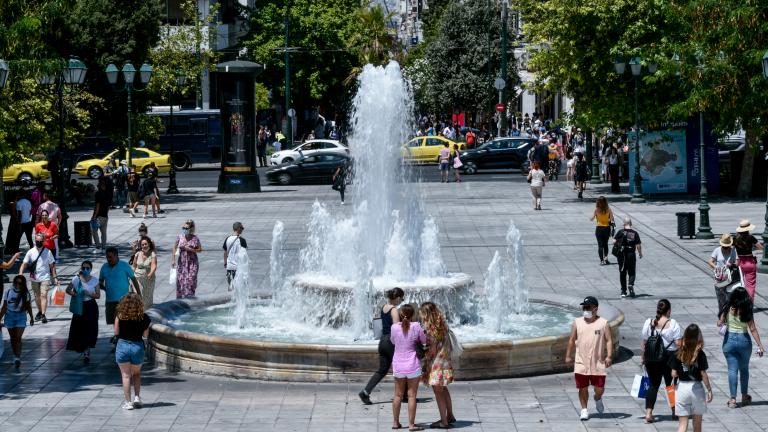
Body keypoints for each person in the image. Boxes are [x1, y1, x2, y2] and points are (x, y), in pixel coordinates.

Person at [565, 296, 613, 421]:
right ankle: (584, 409)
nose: (585, 309)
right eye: (584, 307)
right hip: (581, 361)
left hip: (598, 362)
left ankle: (597, 398)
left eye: (587, 307)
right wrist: (568, 355)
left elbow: (609, 340)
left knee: (599, 388)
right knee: (582, 387)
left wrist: (609, 356)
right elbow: (571, 340)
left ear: (595, 309)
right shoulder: (577, 322)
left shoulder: (603, 323)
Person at [717, 287, 765, 409]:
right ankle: (744, 396)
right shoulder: (747, 310)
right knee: (744, 369)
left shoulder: (727, 308)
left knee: (732, 370)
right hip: (744, 341)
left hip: (729, 341)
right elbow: (753, 329)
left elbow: (719, 323)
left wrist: (723, 322)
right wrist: (760, 345)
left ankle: (733, 399)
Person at [640, 299, 682, 423]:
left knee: (653, 385)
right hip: (669, 358)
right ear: (669, 310)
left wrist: (643, 357)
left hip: (651, 358)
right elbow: (678, 343)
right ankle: (674, 411)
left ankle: (648, 413)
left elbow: (644, 342)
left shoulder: (648, 322)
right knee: (670, 385)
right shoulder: (673, 323)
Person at [360, 287, 403, 405]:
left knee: (382, 370)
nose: (401, 301)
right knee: (401, 368)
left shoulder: (384, 307)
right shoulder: (394, 310)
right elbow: (396, 329)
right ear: (398, 298)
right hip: (390, 341)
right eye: (401, 299)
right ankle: (403, 395)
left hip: (382, 341)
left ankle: (365, 392)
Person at [669, 324, 712, 432]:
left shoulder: (679, 353)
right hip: (696, 388)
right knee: (697, 424)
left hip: (682, 389)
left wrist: (682, 370)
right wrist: (709, 390)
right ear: (698, 336)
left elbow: (673, 374)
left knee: (683, 425)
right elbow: (703, 374)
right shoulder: (700, 354)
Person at [390, 304, 426, 432]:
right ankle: (411, 425)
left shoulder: (394, 327)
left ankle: (395, 422)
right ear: (413, 315)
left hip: (398, 365)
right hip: (413, 365)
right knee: (412, 396)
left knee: (398, 395)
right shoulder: (416, 326)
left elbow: (393, 341)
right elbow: (424, 340)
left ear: (400, 314)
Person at [420, 301, 456, 429]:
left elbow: (433, 350)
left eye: (422, 314)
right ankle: (450, 416)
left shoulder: (431, 329)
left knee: (438, 391)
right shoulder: (442, 325)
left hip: (437, 365)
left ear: (427, 314)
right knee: (444, 389)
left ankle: (443, 422)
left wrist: (424, 354)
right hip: (445, 362)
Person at [114, 293, 151, 410]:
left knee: (125, 376)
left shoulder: (119, 315)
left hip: (123, 346)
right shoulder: (144, 317)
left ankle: (128, 403)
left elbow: (116, 333)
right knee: (136, 374)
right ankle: (137, 398)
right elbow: (145, 335)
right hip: (137, 347)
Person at [100, 247, 142, 346]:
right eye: (107, 257)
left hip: (123, 300)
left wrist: (138, 294)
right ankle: (119, 337)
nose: (108, 259)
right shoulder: (104, 267)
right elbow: (100, 280)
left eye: (110, 257)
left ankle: (119, 339)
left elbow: (133, 279)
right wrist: (102, 287)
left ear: (116, 256)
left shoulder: (124, 266)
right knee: (113, 321)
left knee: (120, 320)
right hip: (110, 299)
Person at [65, 260, 100, 364]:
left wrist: (89, 293)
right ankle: (81, 347)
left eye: (87, 268)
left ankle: (87, 350)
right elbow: (68, 290)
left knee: (90, 328)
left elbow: (98, 295)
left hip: (90, 306)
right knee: (79, 328)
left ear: (91, 269)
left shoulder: (94, 280)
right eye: (83, 268)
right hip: (80, 306)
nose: (85, 270)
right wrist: (76, 295)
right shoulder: (76, 279)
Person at [19, 233, 57, 323]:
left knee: (44, 295)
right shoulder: (31, 252)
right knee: (37, 297)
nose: (38, 243)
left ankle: (43, 314)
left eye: (40, 241)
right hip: (34, 278)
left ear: (43, 241)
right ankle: (40, 311)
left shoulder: (48, 252)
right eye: (37, 241)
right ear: (35, 241)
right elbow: (24, 263)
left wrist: (55, 277)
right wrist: (20, 273)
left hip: (45, 277)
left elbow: (52, 266)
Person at [0, 275, 34, 368]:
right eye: (16, 283)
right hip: (9, 316)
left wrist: (31, 317)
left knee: (18, 338)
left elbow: (28, 306)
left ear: (23, 284)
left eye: (20, 283)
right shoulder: (8, 292)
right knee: (12, 338)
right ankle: (15, 355)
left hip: (21, 316)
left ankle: (17, 358)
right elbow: (4, 306)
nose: (18, 285)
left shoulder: (26, 293)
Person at [733, 219, 763, 300]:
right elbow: (760, 247)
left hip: (739, 262)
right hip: (750, 262)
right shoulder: (751, 237)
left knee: (739, 284)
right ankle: (749, 304)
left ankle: (739, 303)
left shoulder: (735, 238)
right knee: (750, 284)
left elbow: (731, 249)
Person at [708, 233, 738, 314]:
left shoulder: (733, 250)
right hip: (720, 278)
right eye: (724, 246)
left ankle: (729, 315)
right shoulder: (717, 250)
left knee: (730, 297)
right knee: (721, 298)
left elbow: (738, 262)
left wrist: (732, 264)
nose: (725, 248)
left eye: (727, 246)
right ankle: (722, 315)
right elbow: (710, 261)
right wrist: (716, 267)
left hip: (731, 278)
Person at [172, 219, 202, 299]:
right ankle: (180, 299)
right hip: (182, 262)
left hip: (192, 262)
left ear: (191, 229)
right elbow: (174, 247)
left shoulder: (195, 238)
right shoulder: (180, 237)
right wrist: (173, 259)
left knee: (191, 279)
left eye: (186, 228)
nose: (184, 230)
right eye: (183, 228)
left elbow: (200, 249)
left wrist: (191, 249)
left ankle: (190, 297)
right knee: (181, 281)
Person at [613, 217, 642, 298]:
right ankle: (630, 284)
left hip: (622, 255)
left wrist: (618, 245)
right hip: (631, 254)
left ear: (624, 223)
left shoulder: (620, 232)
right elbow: (638, 245)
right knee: (632, 272)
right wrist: (640, 253)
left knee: (622, 272)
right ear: (631, 223)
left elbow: (614, 241)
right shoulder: (634, 233)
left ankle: (623, 291)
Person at [132, 236, 157, 308]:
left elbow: (154, 265)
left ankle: (145, 315)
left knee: (146, 299)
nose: (144, 246)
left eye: (145, 244)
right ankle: (137, 314)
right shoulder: (137, 254)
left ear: (149, 244)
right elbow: (134, 266)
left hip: (148, 280)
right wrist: (130, 275)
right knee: (137, 296)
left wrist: (151, 273)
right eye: (142, 244)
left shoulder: (152, 254)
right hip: (137, 278)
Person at [590, 196, 615, 265]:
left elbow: (591, 219)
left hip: (599, 228)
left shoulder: (596, 210)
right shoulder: (608, 209)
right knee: (605, 244)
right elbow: (612, 220)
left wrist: (595, 216)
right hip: (607, 228)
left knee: (600, 245)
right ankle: (606, 258)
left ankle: (601, 260)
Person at [223, 222, 247, 290]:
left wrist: (225, 263)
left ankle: (231, 299)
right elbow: (244, 255)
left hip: (230, 267)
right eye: (242, 228)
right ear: (238, 228)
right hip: (239, 267)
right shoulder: (242, 240)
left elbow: (225, 252)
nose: (243, 229)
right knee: (241, 287)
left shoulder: (227, 239)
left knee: (231, 287)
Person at [91, 180, 110, 253]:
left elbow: (98, 205)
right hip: (105, 216)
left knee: (94, 231)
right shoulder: (108, 194)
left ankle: (98, 246)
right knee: (103, 232)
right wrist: (106, 214)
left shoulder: (98, 194)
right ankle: (104, 247)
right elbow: (108, 206)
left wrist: (94, 216)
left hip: (98, 216)